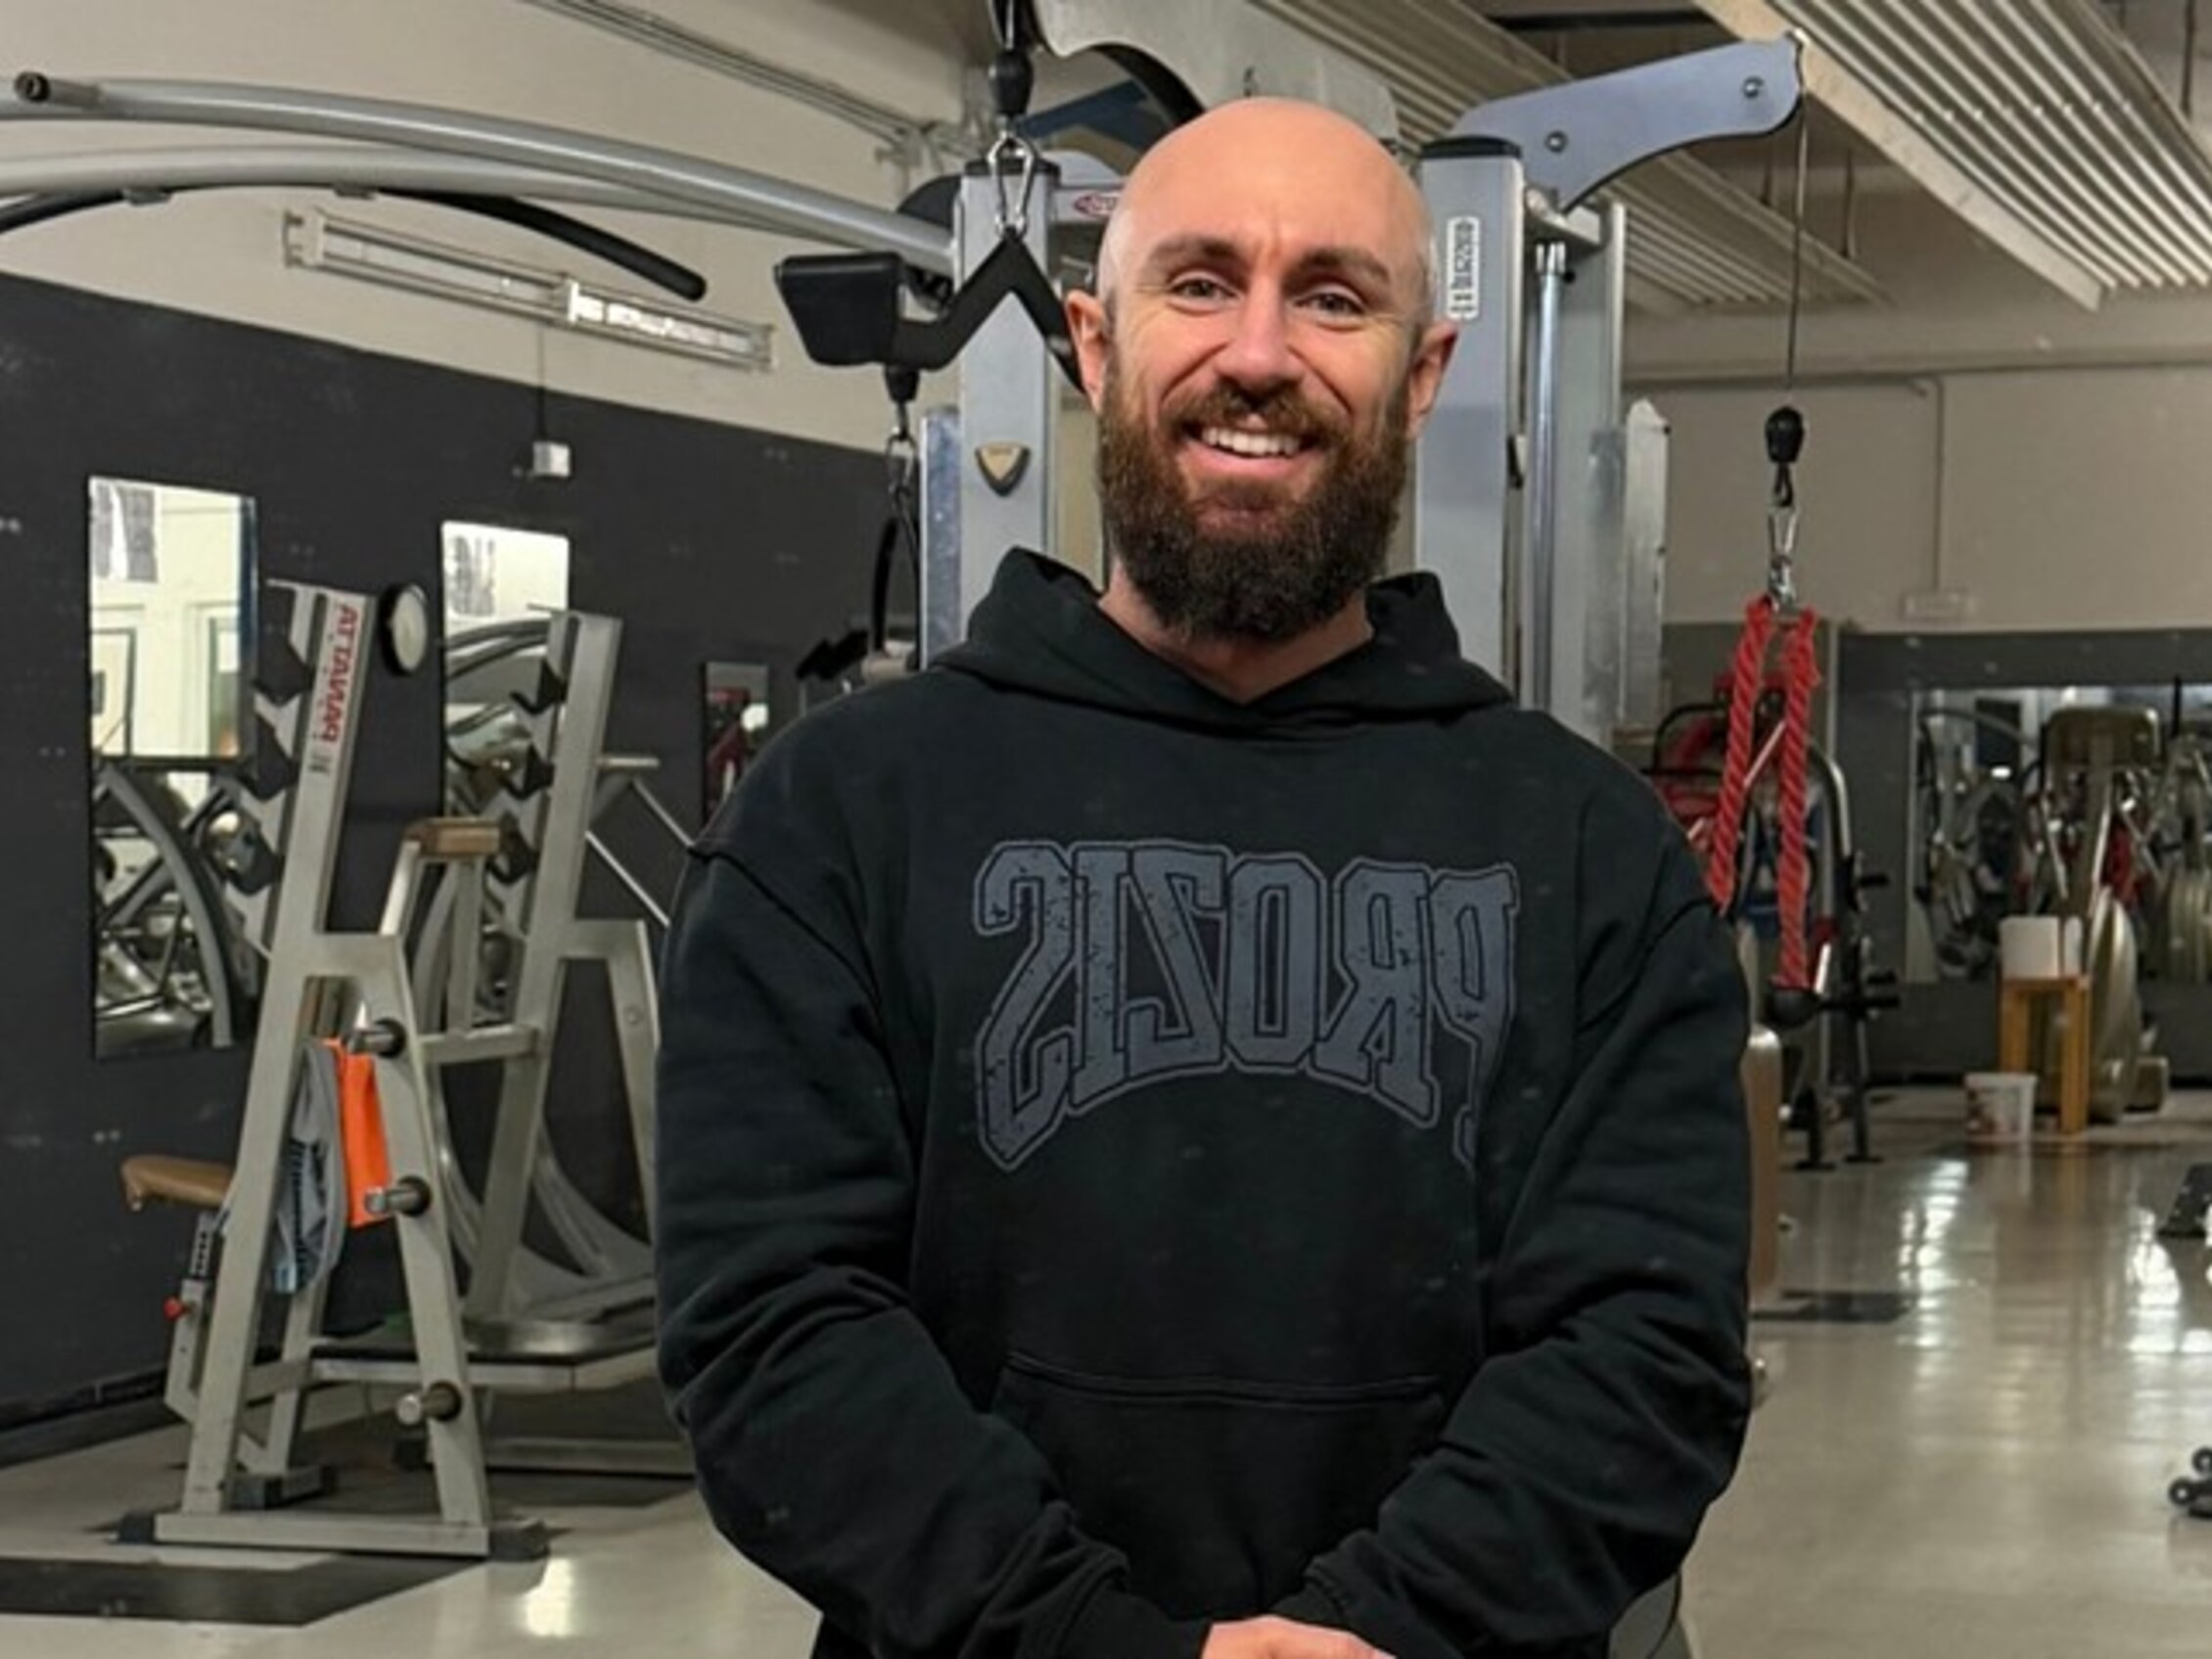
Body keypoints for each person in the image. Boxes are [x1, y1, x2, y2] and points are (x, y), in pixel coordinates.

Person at [656, 97, 1753, 1659]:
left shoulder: (1591, 853)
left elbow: (1649, 1343)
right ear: (1095, 344)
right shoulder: (839, 818)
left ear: (1422, 374)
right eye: (1199, 282)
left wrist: (1381, 1628)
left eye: (1332, 297)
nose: (1258, 352)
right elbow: (771, 1325)